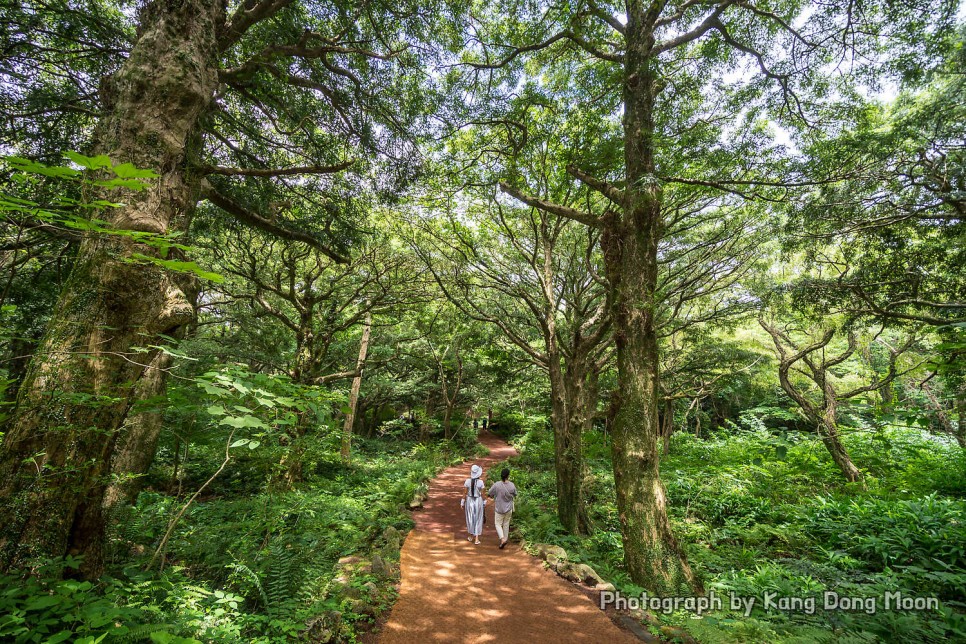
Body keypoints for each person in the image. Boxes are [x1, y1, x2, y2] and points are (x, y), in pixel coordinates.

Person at [488, 468, 517, 549]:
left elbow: (490, 493)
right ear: (508, 475)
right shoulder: (512, 485)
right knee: (506, 524)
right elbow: (515, 494)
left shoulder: (497, 484)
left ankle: (502, 539)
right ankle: (505, 539)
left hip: (499, 508)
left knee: (498, 524)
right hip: (509, 508)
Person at [461, 464, 485, 544]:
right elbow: (483, 494)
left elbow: (464, 493)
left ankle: (471, 536)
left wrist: (462, 502)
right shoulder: (481, 482)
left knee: (470, 517)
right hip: (478, 500)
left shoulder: (467, 481)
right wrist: (484, 502)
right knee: (478, 518)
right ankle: (477, 538)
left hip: (469, 500)